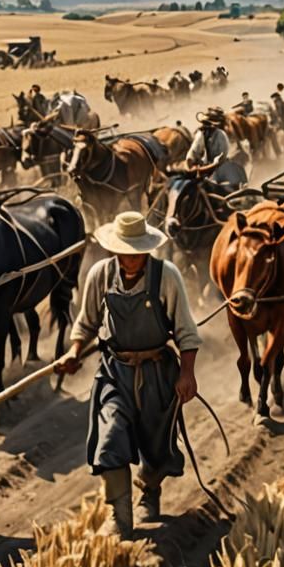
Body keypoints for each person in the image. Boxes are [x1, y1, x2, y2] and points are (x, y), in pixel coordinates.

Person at [56, 212, 202, 538]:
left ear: (147, 250)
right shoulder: (100, 275)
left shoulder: (166, 277)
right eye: (125, 251)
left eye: (137, 252)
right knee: (110, 440)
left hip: (158, 373)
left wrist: (187, 374)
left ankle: (150, 490)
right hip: (114, 371)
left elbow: (185, 332)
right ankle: (119, 517)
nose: (131, 258)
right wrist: (73, 352)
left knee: (157, 444)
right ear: (114, 250)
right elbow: (86, 322)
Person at [188, 107, 246, 190]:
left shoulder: (222, 135)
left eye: (207, 123)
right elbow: (194, 151)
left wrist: (202, 169)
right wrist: (191, 161)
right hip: (206, 165)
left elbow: (220, 159)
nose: (204, 126)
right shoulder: (201, 134)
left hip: (220, 165)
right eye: (204, 123)